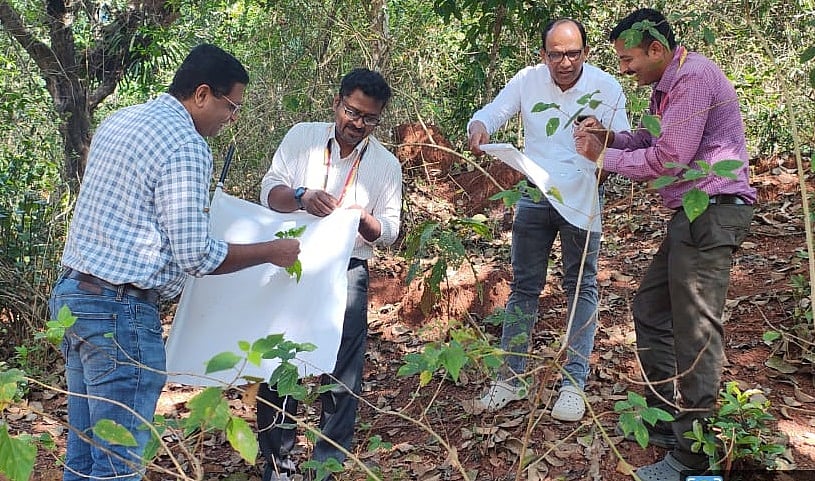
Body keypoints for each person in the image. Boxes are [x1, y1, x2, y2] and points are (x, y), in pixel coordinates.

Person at [48, 44, 301, 481]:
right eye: (231, 106)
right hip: (120, 312)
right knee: (118, 465)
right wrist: (270, 251)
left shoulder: (120, 120)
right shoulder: (186, 144)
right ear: (202, 94)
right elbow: (195, 254)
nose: (232, 118)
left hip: (74, 300)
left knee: (85, 455)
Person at [574, 8, 755, 481]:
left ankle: (695, 461)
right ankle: (665, 422)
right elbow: (649, 139)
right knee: (652, 310)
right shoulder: (665, 88)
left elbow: (670, 158)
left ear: (657, 49)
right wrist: (608, 137)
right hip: (692, 216)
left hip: (712, 210)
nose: (624, 69)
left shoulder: (693, 77)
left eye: (628, 59)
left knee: (697, 332)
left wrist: (602, 158)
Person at [467, 18, 630, 421]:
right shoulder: (527, 81)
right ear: (543, 55)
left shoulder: (607, 87)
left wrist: (602, 139)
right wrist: (479, 126)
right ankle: (510, 377)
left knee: (580, 286)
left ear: (586, 53)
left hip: (582, 194)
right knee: (524, 285)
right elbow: (494, 112)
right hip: (534, 193)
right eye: (556, 54)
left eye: (573, 53)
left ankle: (573, 384)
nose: (565, 62)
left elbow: (625, 143)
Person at [256, 68, 402, 481]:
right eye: (352, 112)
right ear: (337, 103)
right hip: (292, 260)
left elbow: (389, 232)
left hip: (348, 268)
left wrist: (361, 220)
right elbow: (270, 191)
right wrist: (302, 197)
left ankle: (327, 465)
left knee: (342, 370)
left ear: (379, 119)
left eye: (369, 118)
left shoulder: (386, 164)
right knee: (282, 361)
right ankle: (277, 466)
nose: (357, 124)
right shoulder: (301, 137)